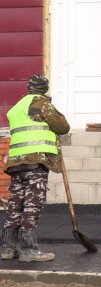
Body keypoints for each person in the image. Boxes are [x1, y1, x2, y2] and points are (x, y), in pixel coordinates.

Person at [1, 74, 70, 262]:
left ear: (29, 87)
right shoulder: (41, 104)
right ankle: (29, 250)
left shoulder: (17, 107)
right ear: (44, 88)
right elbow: (63, 127)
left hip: (16, 163)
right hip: (35, 162)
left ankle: (7, 249)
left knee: (15, 205)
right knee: (32, 206)